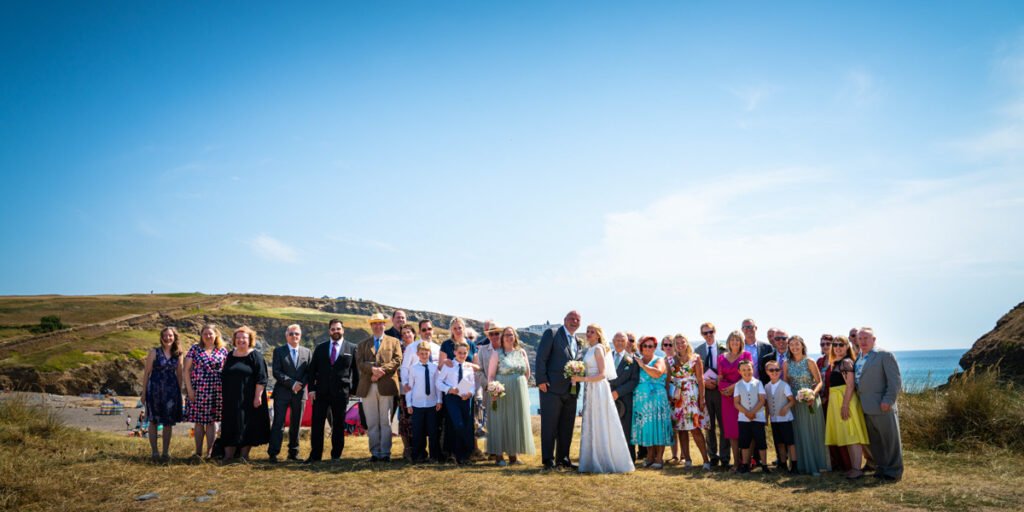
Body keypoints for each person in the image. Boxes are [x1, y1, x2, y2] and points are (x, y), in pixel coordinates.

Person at [570, 324, 634, 473]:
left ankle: (604, 459)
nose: (589, 334)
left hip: (598, 388)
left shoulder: (598, 348)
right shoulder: (590, 349)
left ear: (598, 335)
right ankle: (592, 458)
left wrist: (581, 378)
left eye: (592, 332)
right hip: (590, 388)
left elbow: (602, 374)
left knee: (601, 421)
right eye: (587, 332)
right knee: (592, 421)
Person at [535, 310, 584, 470]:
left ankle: (563, 459)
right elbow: (541, 357)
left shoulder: (578, 341)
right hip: (551, 389)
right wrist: (541, 380)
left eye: (577, 319)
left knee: (567, 426)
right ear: (564, 320)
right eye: (571, 318)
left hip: (571, 390)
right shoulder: (552, 333)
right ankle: (548, 460)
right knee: (549, 425)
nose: (574, 321)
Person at [305, 319, 359, 463]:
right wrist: (311, 389)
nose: (336, 331)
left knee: (338, 425)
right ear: (329, 331)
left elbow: (356, 371)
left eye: (338, 329)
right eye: (333, 329)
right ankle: (315, 456)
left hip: (341, 393)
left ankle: (336, 455)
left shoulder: (352, 348)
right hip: (321, 393)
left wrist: (353, 390)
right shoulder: (320, 348)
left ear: (343, 330)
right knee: (317, 424)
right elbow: (312, 371)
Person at [855, 327, 904, 482]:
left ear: (874, 339)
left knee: (890, 440)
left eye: (866, 338)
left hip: (882, 405)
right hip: (866, 406)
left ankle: (894, 472)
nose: (863, 341)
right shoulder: (859, 357)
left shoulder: (884, 355)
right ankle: (881, 468)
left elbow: (895, 381)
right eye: (860, 338)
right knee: (875, 442)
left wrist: (888, 400)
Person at [356, 313, 403, 462]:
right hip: (368, 386)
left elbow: (397, 360)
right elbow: (360, 363)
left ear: (384, 325)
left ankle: (385, 453)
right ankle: (375, 453)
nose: (377, 326)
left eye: (380, 323)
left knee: (385, 421)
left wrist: (380, 371)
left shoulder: (394, 341)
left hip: (386, 386)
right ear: (371, 326)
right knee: (372, 421)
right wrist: (372, 371)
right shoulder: (363, 344)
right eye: (374, 323)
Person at [486, 326, 536, 466]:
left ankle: (514, 456)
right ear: (502, 338)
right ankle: (499, 456)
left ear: (515, 337)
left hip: (519, 391)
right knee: (500, 421)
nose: (509, 337)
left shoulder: (521, 352)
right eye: (506, 335)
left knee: (516, 421)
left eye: (511, 335)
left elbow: (527, 373)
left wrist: (521, 384)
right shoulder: (497, 353)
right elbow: (490, 375)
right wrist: (493, 391)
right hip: (502, 391)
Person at [220, 326, 271, 462]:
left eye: (244, 337)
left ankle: (244, 456)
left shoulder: (255, 355)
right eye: (238, 337)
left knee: (246, 424)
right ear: (234, 340)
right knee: (229, 423)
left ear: (250, 340)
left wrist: (257, 396)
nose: (241, 340)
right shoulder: (230, 355)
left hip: (248, 398)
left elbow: (262, 378)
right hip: (230, 398)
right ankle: (228, 456)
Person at [783, 335, 831, 476]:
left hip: (810, 401)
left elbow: (819, 381)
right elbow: (785, 382)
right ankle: (802, 465)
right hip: (795, 403)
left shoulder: (809, 361)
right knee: (799, 433)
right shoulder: (786, 363)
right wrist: (789, 399)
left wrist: (813, 394)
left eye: (797, 344)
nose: (794, 347)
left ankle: (816, 465)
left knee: (812, 432)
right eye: (791, 345)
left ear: (802, 345)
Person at [825, 335, 871, 479]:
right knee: (847, 434)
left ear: (847, 347)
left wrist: (845, 405)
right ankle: (854, 467)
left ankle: (857, 469)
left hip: (846, 400)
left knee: (852, 434)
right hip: (837, 400)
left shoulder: (846, 362)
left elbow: (850, 385)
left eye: (841, 345)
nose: (838, 347)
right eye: (835, 345)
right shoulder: (836, 362)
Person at [267, 324, 311, 463]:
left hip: (300, 393)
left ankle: (293, 453)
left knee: (296, 424)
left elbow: (309, 372)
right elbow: (276, 372)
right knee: (278, 423)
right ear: (286, 336)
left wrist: (300, 385)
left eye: (297, 333)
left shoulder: (307, 352)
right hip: (282, 393)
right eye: (291, 334)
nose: (294, 336)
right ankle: (273, 453)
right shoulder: (279, 351)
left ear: (300, 335)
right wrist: (292, 384)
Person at [183, 323, 228, 459]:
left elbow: (227, 371)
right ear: (201, 336)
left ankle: (210, 452)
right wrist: (189, 390)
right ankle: (198, 452)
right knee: (198, 421)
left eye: (210, 333)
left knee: (212, 421)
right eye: (205, 334)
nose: (208, 336)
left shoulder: (223, 351)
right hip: (198, 389)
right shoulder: (195, 349)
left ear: (216, 335)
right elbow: (186, 370)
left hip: (216, 390)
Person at [667, 334, 711, 470]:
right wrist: (670, 398)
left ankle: (705, 460)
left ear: (687, 343)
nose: (680, 345)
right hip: (678, 397)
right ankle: (687, 460)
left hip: (692, 395)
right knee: (681, 429)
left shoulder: (695, 358)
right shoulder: (669, 360)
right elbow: (668, 380)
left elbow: (700, 380)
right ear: (674, 345)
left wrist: (702, 399)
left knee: (695, 428)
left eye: (682, 342)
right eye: (677, 342)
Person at [140, 327, 184, 462]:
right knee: (153, 421)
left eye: (170, 336)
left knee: (168, 423)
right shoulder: (154, 352)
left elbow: (180, 375)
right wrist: (143, 393)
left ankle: (165, 452)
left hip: (171, 392)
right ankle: (154, 452)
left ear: (174, 337)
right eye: (165, 336)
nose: (167, 338)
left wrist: (180, 394)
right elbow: (147, 373)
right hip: (154, 391)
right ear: (161, 337)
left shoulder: (179, 354)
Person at [632, 335, 673, 469]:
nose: (648, 348)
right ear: (641, 348)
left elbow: (657, 373)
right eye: (645, 346)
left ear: (655, 348)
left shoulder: (659, 359)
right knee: (647, 427)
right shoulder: (637, 361)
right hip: (642, 400)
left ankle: (659, 458)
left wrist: (642, 366)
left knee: (658, 426)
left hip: (657, 399)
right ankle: (649, 456)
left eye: (651, 346)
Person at [718, 330, 753, 471]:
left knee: (745, 428)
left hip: (743, 394)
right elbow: (720, 377)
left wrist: (734, 387)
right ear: (728, 342)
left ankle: (747, 461)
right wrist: (722, 389)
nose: (735, 342)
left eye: (737, 340)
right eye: (732, 340)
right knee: (731, 430)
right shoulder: (721, 357)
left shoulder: (746, 355)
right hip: (726, 396)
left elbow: (748, 375)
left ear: (741, 342)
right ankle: (736, 462)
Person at [696, 322, 729, 468]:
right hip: (706, 391)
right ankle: (713, 455)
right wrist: (704, 381)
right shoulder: (698, 351)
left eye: (710, 332)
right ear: (702, 335)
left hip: (721, 391)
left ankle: (725, 457)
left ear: (715, 331)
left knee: (724, 424)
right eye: (705, 333)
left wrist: (719, 382)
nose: (708, 335)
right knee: (708, 425)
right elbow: (695, 372)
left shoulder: (725, 349)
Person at [437, 341, 476, 464]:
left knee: (466, 425)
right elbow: (438, 382)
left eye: (465, 353)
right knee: (457, 424)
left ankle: (465, 455)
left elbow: (473, 384)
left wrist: (470, 393)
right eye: (459, 353)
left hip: (465, 399)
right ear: (454, 352)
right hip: (452, 398)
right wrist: (449, 389)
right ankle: (455, 453)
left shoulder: (469, 368)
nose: (462, 355)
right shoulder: (449, 366)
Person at [406, 342, 442, 463]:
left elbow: (437, 386)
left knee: (433, 431)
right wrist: (409, 403)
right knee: (418, 432)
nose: (424, 355)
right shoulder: (413, 368)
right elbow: (410, 386)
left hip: (432, 404)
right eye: (421, 353)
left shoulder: (434, 368)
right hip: (417, 404)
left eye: (426, 353)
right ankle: (418, 456)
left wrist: (439, 400)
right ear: (417, 354)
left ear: (429, 353)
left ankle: (434, 456)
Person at [608, 331, 640, 461]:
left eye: (622, 340)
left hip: (625, 398)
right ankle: (610, 456)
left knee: (626, 428)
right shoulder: (606, 356)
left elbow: (634, 380)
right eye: (617, 340)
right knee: (609, 428)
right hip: (607, 397)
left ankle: (628, 458)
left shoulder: (632, 360)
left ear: (626, 342)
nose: (620, 343)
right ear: (613, 341)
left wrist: (618, 392)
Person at [734, 360, 770, 474]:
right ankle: (745, 464)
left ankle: (764, 465)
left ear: (752, 370)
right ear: (739, 371)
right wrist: (746, 413)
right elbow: (736, 403)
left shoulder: (758, 383)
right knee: (744, 442)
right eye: (744, 370)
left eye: (749, 369)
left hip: (758, 417)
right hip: (743, 418)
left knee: (761, 441)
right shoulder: (738, 385)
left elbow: (762, 400)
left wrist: (753, 412)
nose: (747, 372)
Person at [764, 360, 796, 472]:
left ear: (780, 371)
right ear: (767, 372)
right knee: (779, 442)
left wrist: (785, 408)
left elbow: (792, 401)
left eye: (777, 370)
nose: (774, 372)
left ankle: (794, 466)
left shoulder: (784, 385)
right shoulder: (766, 387)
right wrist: (766, 417)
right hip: (774, 419)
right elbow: (767, 404)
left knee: (790, 442)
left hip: (785, 418)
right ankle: (783, 464)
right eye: (771, 370)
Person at [475, 321, 501, 440]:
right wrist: (489, 386)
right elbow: (479, 371)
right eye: (492, 334)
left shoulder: (506, 349)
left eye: (497, 333)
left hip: (508, 391)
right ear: (488, 336)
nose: (494, 336)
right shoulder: (483, 350)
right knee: (491, 423)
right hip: (489, 392)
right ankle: (493, 451)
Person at [396, 324, 418, 460]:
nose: (406, 335)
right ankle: (407, 448)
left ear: (414, 334)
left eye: (408, 332)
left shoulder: (420, 347)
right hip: (404, 388)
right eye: (403, 334)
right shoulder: (399, 349)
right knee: (404, 419)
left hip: (419, 389)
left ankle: (418, 447)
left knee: (417, 419)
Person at [741, 319, 776, 385]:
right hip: (743, 385)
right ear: (742, 330)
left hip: (763, 385)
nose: (748, 329)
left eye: (750, 327)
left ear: (756, 328)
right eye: (745, 327)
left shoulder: (767, 347)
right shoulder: (738, 347)